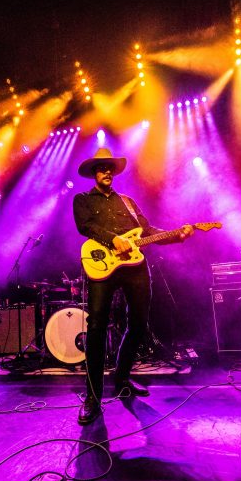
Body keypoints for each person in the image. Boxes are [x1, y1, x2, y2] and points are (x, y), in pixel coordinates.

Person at [73, 147, 193, 425]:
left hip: (136, 267)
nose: (107, 172)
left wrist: (176, 235)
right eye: (102, 168)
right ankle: (93, 396)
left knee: (139, 324)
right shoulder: (82, 199)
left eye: (110, 168)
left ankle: (122, 378)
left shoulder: (127, 201)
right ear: (94, 172)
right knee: (96, 327)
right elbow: (85, 226)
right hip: (102, 265)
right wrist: (112, 238)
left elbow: (148, 231)